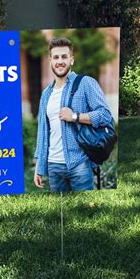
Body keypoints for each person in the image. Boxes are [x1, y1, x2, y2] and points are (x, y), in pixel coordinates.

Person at [34, 37, 113, 192]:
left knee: (85, 212)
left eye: (64, 56)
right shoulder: (46, 94)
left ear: (72, 60)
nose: (60, 61)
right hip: (53, 167)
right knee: (62, 214)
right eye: (55, 57)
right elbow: (43, 133)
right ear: (50, 61)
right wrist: (39, 166)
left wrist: (75, 116)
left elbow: (105, 115)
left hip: (79, 164)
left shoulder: (85, 83)